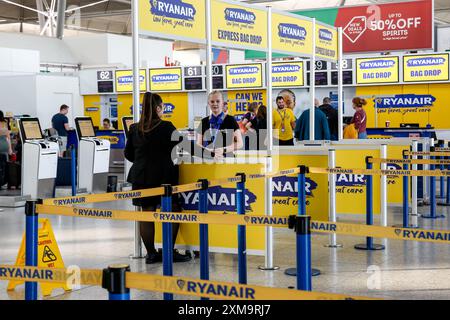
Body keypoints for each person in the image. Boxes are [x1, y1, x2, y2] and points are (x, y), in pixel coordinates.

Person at [124, 92, 190, 264]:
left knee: (146, 213)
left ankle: (151, 253)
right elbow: (185, 146)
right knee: (172, 210)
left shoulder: (134, 128)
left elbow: (129, 154)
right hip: (164, 177)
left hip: (140, 176)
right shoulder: (166, 127)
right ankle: (168, 251)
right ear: (159, 108)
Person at [196, 90, 243, 159]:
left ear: (222, 103)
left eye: (218, 101)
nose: (215, 104)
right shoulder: (204, 121)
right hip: (208, 158)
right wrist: (208, 151)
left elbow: (240, 143)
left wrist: (223, 150)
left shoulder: (230, 120)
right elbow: (198, 144)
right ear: (208, 103)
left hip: (227, 159)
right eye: (212, 101)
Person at [0, 111, 12, 188]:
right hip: (5, 146)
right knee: (3, 166)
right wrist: (10, 148)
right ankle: (3, 183)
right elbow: (8, 137)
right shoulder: (5, 123)